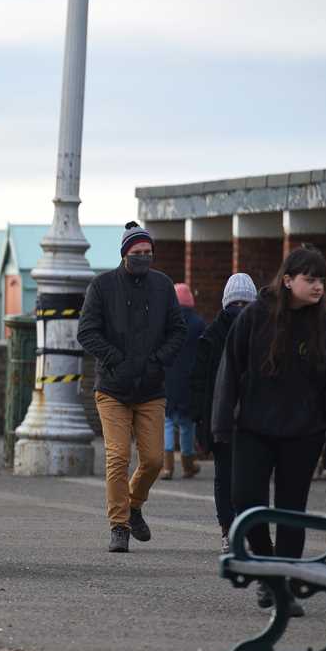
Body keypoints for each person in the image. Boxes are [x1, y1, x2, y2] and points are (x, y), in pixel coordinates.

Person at [213, 246, 326, 612]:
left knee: (291, 512)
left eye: (322, 279)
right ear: (288, 280)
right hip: (254, 428)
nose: (319, 286)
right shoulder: (256, 316)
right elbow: (230, 370)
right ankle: (268, 571)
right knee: (245, 502)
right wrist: (221, 424)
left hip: (304, 433)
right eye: (310, 279)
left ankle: (282, 586)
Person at [77, 222, 187, 554]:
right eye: (137, 253)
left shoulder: (163, 285)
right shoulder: (102, 286)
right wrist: (117, 360)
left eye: (148, 253)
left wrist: (157, 361)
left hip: (151, 387)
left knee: (154, 459)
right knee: (118, 456)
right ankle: (119, 525)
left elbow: (177, 330)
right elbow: (87, 331)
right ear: (125, 254)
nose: (143, 258)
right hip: (113, 387)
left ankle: (134, 504)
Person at [188, 272, 256, 553]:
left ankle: (229, 530)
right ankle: (247, 529)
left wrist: (198, 421)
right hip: (253, 419)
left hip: (220, 418)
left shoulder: (210, 334)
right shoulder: (262, 330)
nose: (240, 310)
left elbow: (198, 383)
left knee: (224, 475)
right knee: (250, 477)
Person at [162, 283, 206, 480]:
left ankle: (167, 466)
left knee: (167, 422)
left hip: (168, 379)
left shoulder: (166, 323)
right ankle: (188, 464)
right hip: (190, 380)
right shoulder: (198, 323)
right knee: (188, 424)